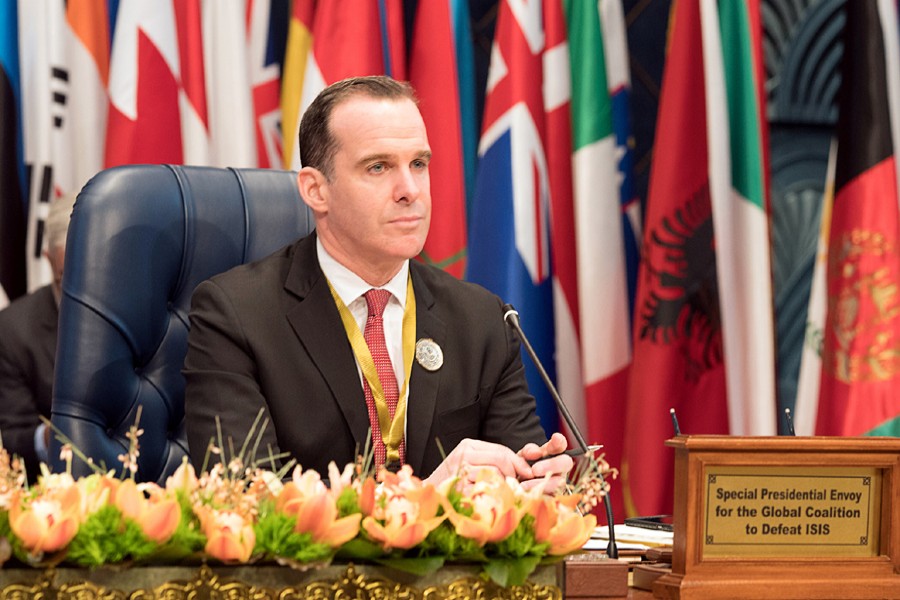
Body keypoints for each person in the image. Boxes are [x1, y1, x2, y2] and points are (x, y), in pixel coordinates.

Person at [183, 76, 571, 487]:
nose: (410, 190)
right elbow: (245, 497)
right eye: (378, 167)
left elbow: (521, 476)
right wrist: (426, 498)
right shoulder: (236, 316)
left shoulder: (483, 319)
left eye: (418, 164)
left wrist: (537, 485)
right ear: (316, 190)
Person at [0, 192, 77, 480]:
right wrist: (49, 437)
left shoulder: (140, 313)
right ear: (48, 259)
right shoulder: (13, 330)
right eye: (67, 275)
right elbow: (11, 438)